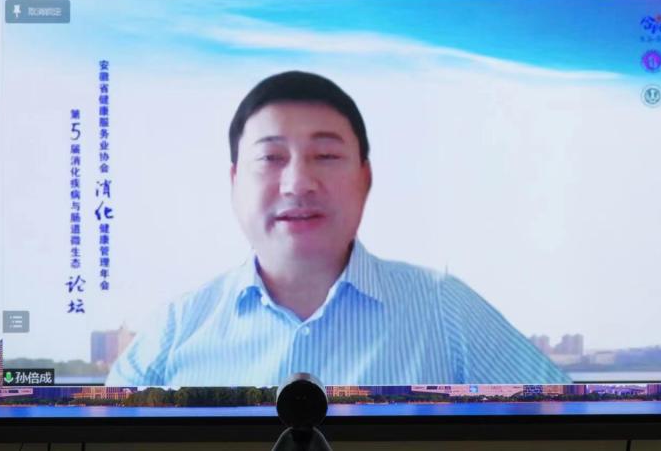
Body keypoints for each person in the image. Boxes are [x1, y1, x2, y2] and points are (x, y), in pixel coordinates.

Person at [107, 71, 568, 387]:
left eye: (326, 156)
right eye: (270, 158)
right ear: (234, 181)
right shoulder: (175, 332)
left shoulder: (444, 309)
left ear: (365, 177)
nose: (298, 183)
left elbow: (575, 429)